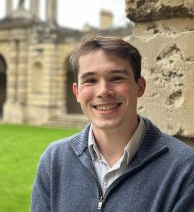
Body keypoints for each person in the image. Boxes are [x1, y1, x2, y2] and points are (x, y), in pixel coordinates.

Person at [31, 35, 194, 212]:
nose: (103, 91)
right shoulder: (54, 160)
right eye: (90, 80)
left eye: (116, 78)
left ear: (140, 86)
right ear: (77, 92)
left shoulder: (184, 167)